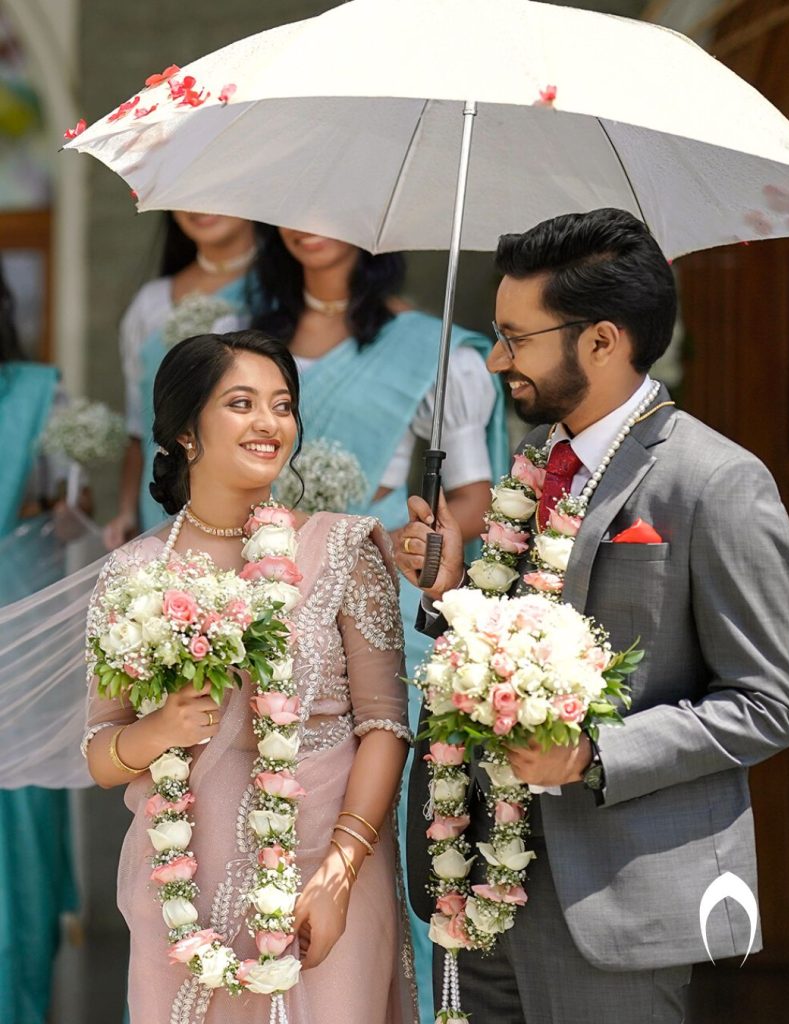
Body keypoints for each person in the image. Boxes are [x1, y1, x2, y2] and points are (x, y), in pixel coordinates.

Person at [396, 209, 789, 1024]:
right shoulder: (535, 461)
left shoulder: (715, 481)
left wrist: (591, 753)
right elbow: (511, 644)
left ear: (602, 341)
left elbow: (767, 705)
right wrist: (449, 591)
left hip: (614, 891)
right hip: (471, 871)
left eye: (518, 337)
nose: (499, 358)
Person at [83, 330, 415, 1024]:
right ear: (184, 434)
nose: (269, 423)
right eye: (242, 403)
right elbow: (101, 754)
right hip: (184, 876)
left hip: (327, 867)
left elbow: (385, 725)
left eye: (283, 405)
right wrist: (161, 731)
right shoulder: (135, 575)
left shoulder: (343, 546)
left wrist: (340, 871)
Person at [251, 228, 508, 1023]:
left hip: (378, 599)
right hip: (262, 607)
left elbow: (472, 496)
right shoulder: (249, 349)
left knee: (390, 822)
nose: (309, 221)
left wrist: (410, 538)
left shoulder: (430, 353)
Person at [0, 263, 78, 1023]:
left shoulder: (36, 395)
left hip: (11, 655)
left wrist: (62, 509)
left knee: (15, 850)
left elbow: (64, 505)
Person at [104, 212, 265, 548]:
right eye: (185, 199)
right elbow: (139, 423)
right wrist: (126, 511)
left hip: (255, 499)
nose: (198, 208)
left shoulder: (281, 294)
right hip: (165, 497)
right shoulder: (151, 303)